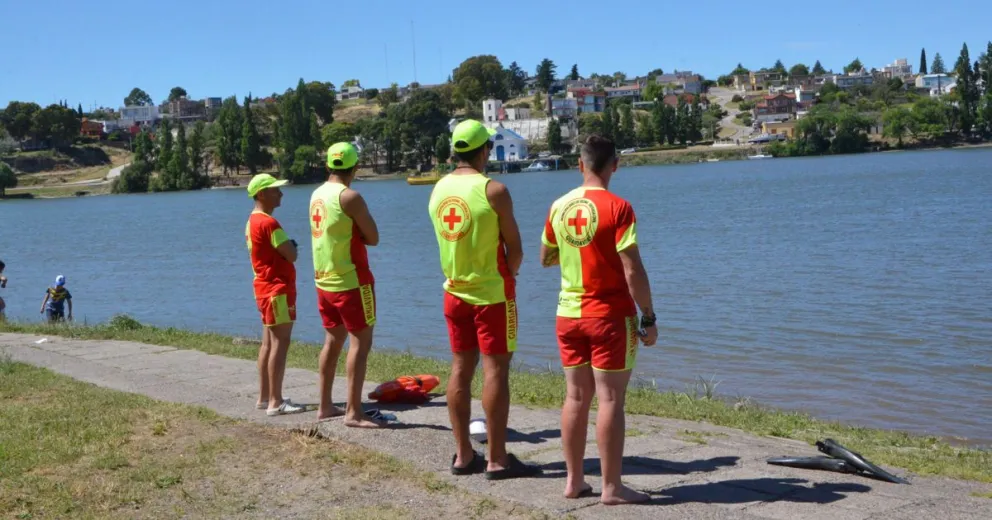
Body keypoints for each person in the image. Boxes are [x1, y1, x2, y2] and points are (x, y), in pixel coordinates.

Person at [539, 134, 658, 505]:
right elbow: (632, 268)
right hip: (608, 317)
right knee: (609, 399)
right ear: (615, 165)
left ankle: (574, 481)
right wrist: (649, 315)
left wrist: (577, 253)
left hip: (567, 315)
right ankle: (612, 487)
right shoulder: (619, 207)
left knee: (575, 397)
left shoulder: (559, 206)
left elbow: (546, 256)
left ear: (580, 164)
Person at [428, 119, 539, 480]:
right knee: (496, 371)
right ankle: (496, 458)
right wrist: (509, 276)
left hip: (453, 293)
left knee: (460, 369)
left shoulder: (437, 190)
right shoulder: (494, 190)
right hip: (492, 295)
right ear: (484, 150)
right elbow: (516, 250)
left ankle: (463, 455)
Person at [310, 142, 384, 428]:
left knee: (332, 341)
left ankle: (325, 406)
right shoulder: (350, 197)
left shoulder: (316, 194)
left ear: (328, 165)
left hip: (324, 280)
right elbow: (374, 237)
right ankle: (354, 412)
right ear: (355, 167)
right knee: (360, 344)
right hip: (351, 281)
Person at [245, 173, 305, 417]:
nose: (280, 194)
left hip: (263, 288)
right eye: (275, 190)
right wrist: (292, 245)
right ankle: (276, 402)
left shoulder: (252, 221)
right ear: (261, 194)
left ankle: (264, 396)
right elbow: (291, 254)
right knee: (280, 343)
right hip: (277, 289)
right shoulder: (269, 223)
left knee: (268, 343)